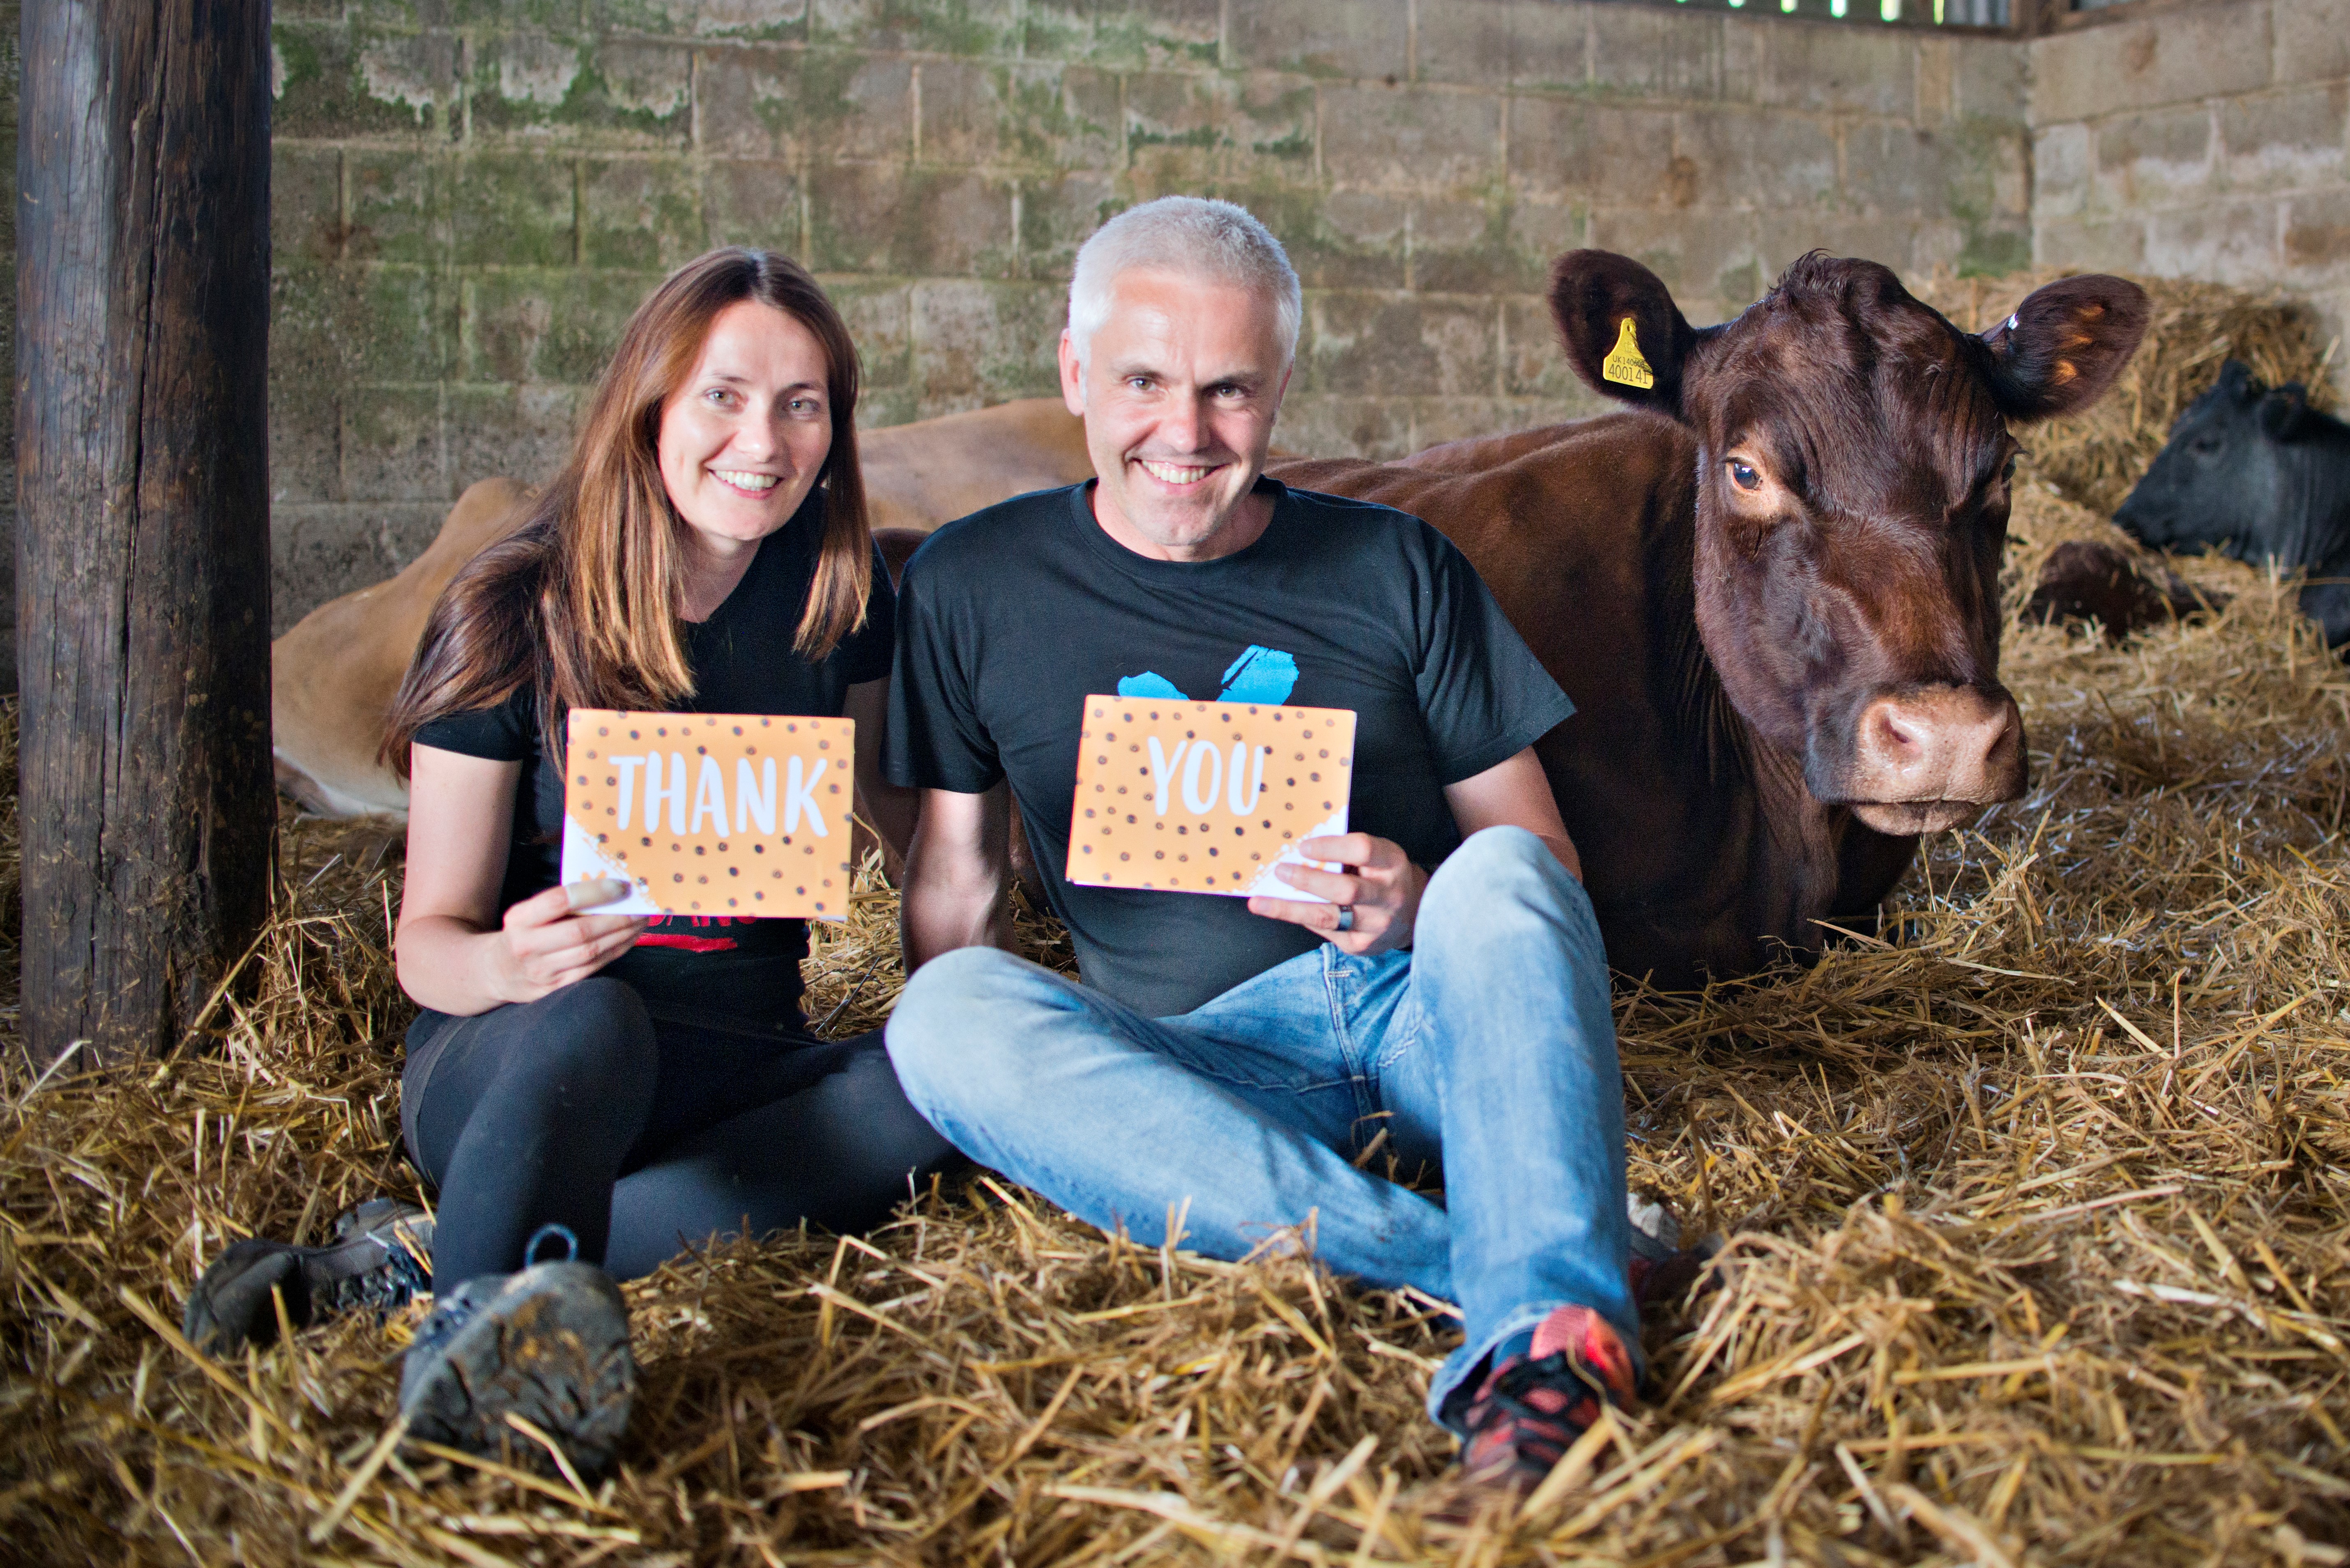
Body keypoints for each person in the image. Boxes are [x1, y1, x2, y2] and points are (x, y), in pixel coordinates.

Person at [882, 197, 1676, 1500]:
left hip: (1426, 1031)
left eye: (1229, 390)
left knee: (1502, 875)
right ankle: (1512, 1275)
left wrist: (1414, 899)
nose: (1185, 435)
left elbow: (1538, 868)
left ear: (1280, 388)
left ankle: (1547, 1360)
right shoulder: (971, 585)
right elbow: (956, 880)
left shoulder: (1398, 564)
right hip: (1196, 1073)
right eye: (1142, 381)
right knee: (943, 1015)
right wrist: (990, 1091)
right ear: (1075, 372)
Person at [184, 248, 958, 1475]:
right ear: (647, 402)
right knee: (597, 1020)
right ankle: (479, 1355)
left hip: (739, 1056)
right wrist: (506, 958)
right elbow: (427, 948)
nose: (762, 439)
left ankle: (417, 1265)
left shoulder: (836, 596)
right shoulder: (514, 606)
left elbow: (905, 818)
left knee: (938, 1099)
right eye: (723, 396)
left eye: (801, 404)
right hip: (524, 1061)